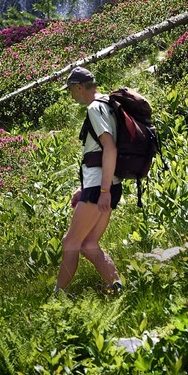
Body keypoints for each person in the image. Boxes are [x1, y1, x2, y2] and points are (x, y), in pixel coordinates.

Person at [54, 66, 123, 298]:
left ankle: (58, 297)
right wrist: (89, 187)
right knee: (89, 244)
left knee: (70, 243)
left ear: (79, 87)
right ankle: (118, 288)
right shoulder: (109, 105)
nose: (71, 95)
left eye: (71, 90)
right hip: (110, 185)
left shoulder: (95, 108)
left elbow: (110, 149)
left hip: (101, 188)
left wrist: (100, 190)